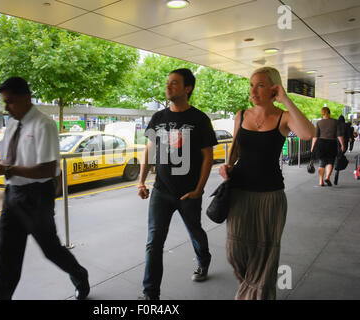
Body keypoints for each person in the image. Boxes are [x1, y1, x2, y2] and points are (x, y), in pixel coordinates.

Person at [0, 77, 89, 300]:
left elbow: (48, 169)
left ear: (26, 98)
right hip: (12, 195)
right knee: (6, 257)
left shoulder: (44, 124)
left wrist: (8, 170)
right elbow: (8, 161)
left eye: (10, 101)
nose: (6, 107)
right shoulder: (12, 124)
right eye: (4, 102)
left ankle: (80, 275)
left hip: (37, 197)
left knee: (51, 250)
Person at [219, 67, 314, 300]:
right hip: (239, 193)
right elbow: (236, 147)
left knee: (265, 255)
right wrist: (227, 164)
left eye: (260, 85)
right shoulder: (241, 115)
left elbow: (308, 133)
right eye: (251, 85)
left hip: (270, 196)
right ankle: (254, 291)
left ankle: (257, 295)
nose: (253, 90)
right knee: (235, 251)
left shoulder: (283, 117)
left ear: (274, 88)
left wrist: (286, 99)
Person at [137, 68, 218, 300]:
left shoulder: (200, 119)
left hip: (188, 193)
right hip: (161, 191)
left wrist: (198, 190)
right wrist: (141, 181)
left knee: (194, 231)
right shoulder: (158, 118)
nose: (168, 86)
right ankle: (150, 294)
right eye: (168, 83)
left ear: (187, 88)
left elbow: (208, 158)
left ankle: (204, 260)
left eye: (174, 83)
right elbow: (149, 150)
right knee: (154, 242)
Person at [311, 107, 344, 186]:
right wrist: (342, 144)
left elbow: (315, 136)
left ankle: (320, 181)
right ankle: (327, 177)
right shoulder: (336, 122)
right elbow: (339, 135)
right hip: (332, 143)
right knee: (330, 161)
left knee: (322, 162)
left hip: (321, 143)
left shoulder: (319, 123)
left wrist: (312, 147)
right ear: (329, 113)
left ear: (322, 113)